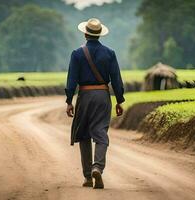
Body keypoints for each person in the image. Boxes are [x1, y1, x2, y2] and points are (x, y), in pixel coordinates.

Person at [65, 18, 125, 189]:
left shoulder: (76, 54)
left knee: (84, 134)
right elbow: (117, 80)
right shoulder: (110, 53)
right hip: (102, 96)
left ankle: (87, 177)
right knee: (100, 133)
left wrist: (69, 101)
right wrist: (119, 100)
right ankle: (97, 167)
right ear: (99, 34)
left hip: (84, 95)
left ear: (85, 33)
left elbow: (71, 80)